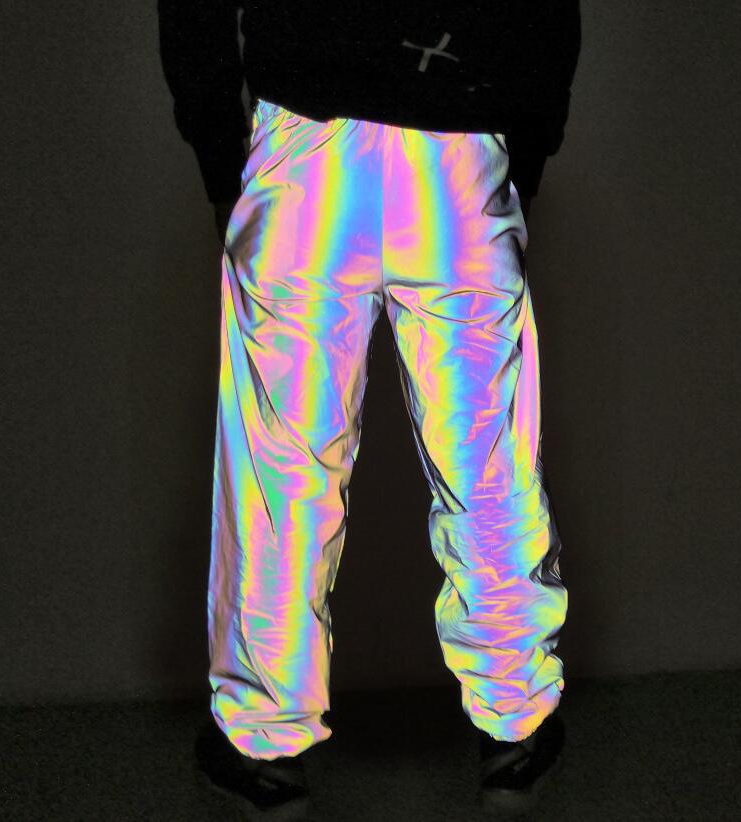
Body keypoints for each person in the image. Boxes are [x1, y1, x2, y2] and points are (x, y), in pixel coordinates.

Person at [158, 2, 581, 818]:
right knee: (486, 457)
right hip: (462, 139)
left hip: (304, 142)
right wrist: (519, 155)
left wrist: (220, 157)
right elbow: (549, 16)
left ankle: (264, 744)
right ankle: (516, 726)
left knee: (282, 467)